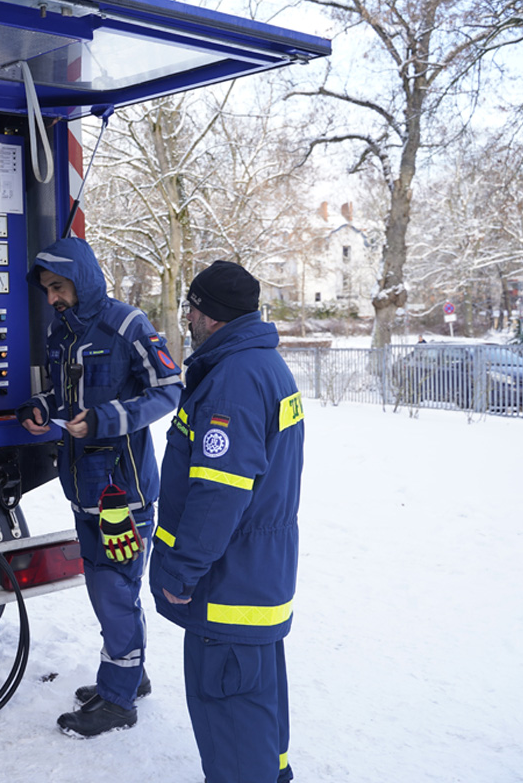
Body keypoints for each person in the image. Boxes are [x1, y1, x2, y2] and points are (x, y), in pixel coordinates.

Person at [16, 237, 182, 738]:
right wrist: (43, 407)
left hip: (123, 494)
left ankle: (117, 700)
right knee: (109, 589)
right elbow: (66, 395)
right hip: (82, 490)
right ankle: (131, 675)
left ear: (81, 280)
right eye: (47, 290)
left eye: (58, 287)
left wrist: (109, 419)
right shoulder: (61, 331)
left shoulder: (127, 324)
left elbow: (169, 390)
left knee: (114, 592)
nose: (52, 298)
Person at [149, 260, 305, 783]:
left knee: (230, 716)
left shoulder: (234, 381)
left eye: (191, 307)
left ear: (210, 315)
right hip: (255, 575)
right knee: (256, 707)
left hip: (227, 584)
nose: (188, 317)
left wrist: (180, 571)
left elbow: (219, 495)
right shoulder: (260, 366)